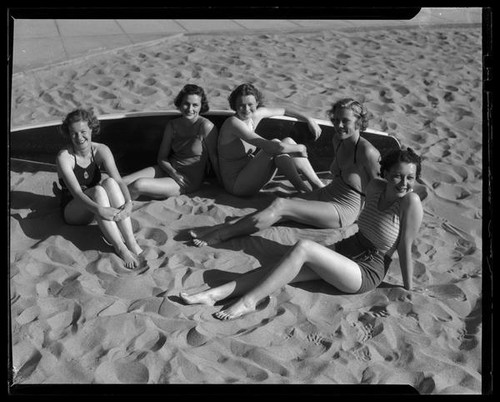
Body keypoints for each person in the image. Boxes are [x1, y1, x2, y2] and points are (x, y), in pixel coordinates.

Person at [180, 148, 424, 320]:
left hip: (367, 270)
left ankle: (249, 301)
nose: (404, 182)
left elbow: (405, 247)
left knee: (303, 248)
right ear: (386, 174)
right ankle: (213, 295)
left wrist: (408, 287)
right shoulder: (374, 187)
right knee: (279, 269)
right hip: (346, 250)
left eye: (410, 177)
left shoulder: (410, 202)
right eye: (398, 175)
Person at [190, 98, 381, 247]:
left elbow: (380, 191)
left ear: (359, 122)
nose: (338, 125)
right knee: (280, 205)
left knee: (282, 206)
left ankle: (221, 234)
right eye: (336, 120)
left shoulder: (368, 152)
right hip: (327, 194)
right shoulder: (338, 139)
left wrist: (366, 225)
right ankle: (225, 226)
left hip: (342, 211)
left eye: (345, 121)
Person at [56, 108, 142, 269]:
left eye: (83, 131)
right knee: (98, 190)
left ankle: (130, 241)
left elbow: (118, 180)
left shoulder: (101, 150)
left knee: (109, 183)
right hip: (73, 210)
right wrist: (99, 210)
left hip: (97, 207)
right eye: (74, 133)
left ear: (91, 129)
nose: (79, 137)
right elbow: (77, 193)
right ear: (68, 134)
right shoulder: (65, 157)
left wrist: (129, 202)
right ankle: (120, 247)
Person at [217, 82, 325, 197]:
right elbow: (270, 146)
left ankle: (317, 185)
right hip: (237, 185)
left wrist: (308, 119)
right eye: (241, 105)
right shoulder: (233, 123)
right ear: (234, 105)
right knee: (276, 144)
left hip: (253, 175)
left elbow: (284, 110)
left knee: (287, 142)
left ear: (257, 103)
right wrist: (300, 148)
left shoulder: (255, 116)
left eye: (250, 104)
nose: (246, 109)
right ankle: (303, 190)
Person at [123, 84, 219, 199]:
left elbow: (215, 158)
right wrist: (173, 172)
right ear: (180, 103)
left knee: (138, 185)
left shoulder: (206, 126)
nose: (190, 109)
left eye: (195, 105)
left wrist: (223, 184)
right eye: (186, 104)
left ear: (201, 107)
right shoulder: (173, 125)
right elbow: (162, 158)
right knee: (121, 182)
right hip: (168, 170)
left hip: (186, 180)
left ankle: (119, 209)